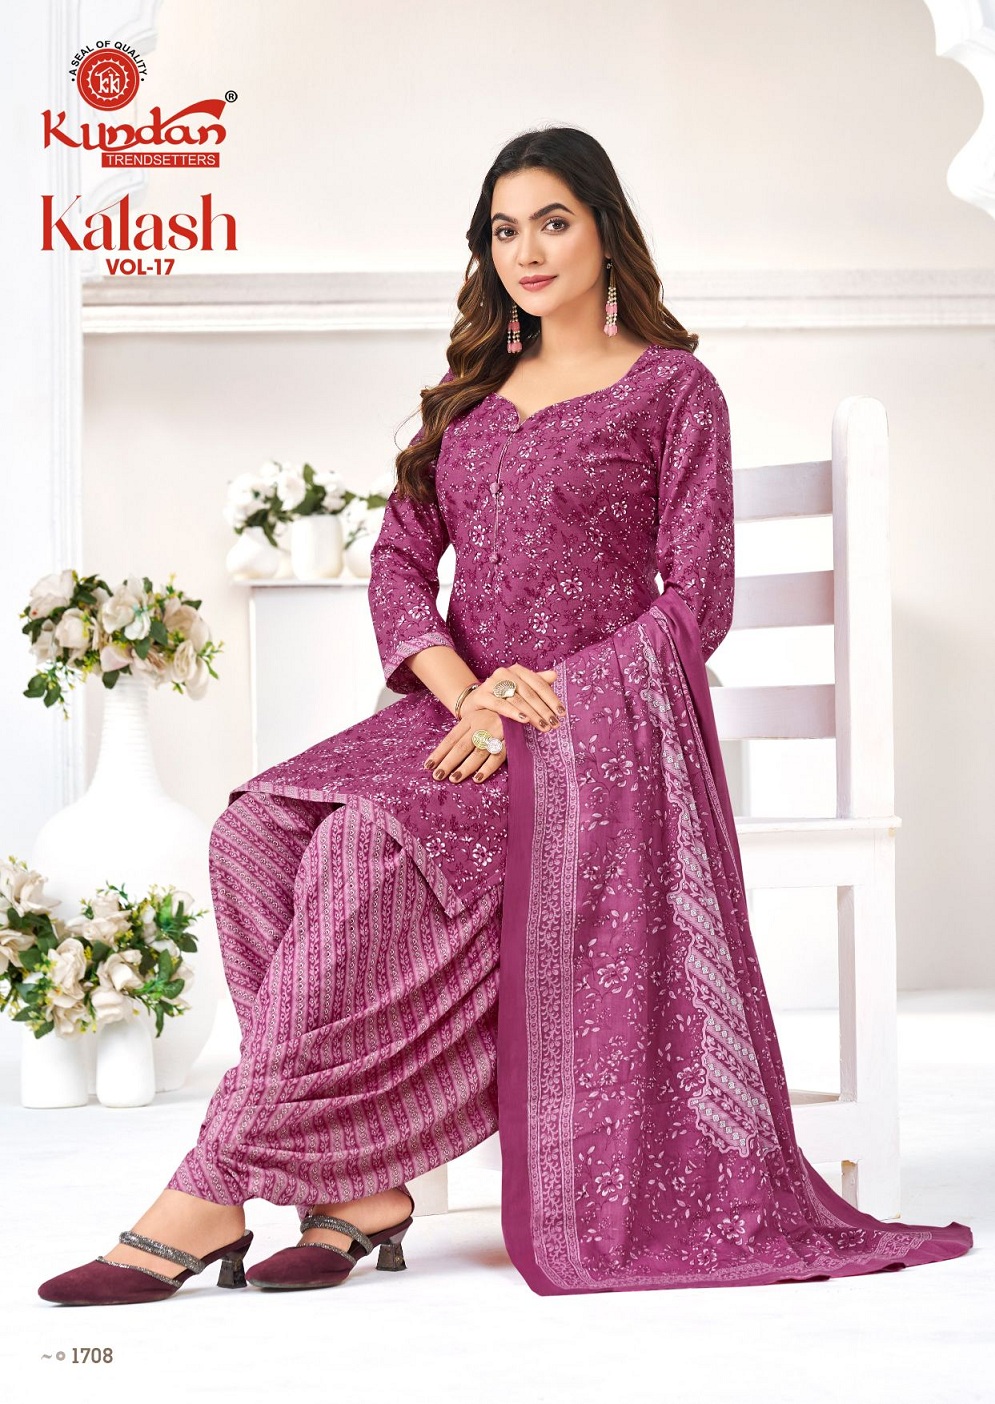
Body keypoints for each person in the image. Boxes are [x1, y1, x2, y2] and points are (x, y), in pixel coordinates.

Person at [39, 126, 972, 1305]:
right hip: (455, 714)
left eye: (552, 222)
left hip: (591, 738)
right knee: (254, 835)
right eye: (503, 230)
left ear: (604, 233)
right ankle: (357, 1181)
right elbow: (396, 566)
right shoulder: (464, 403)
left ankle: (210, 1189)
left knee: (365, 846)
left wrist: (553, 702)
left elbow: (696, 600)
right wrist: (464, 693)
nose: (525, 250)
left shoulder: (671, 391)